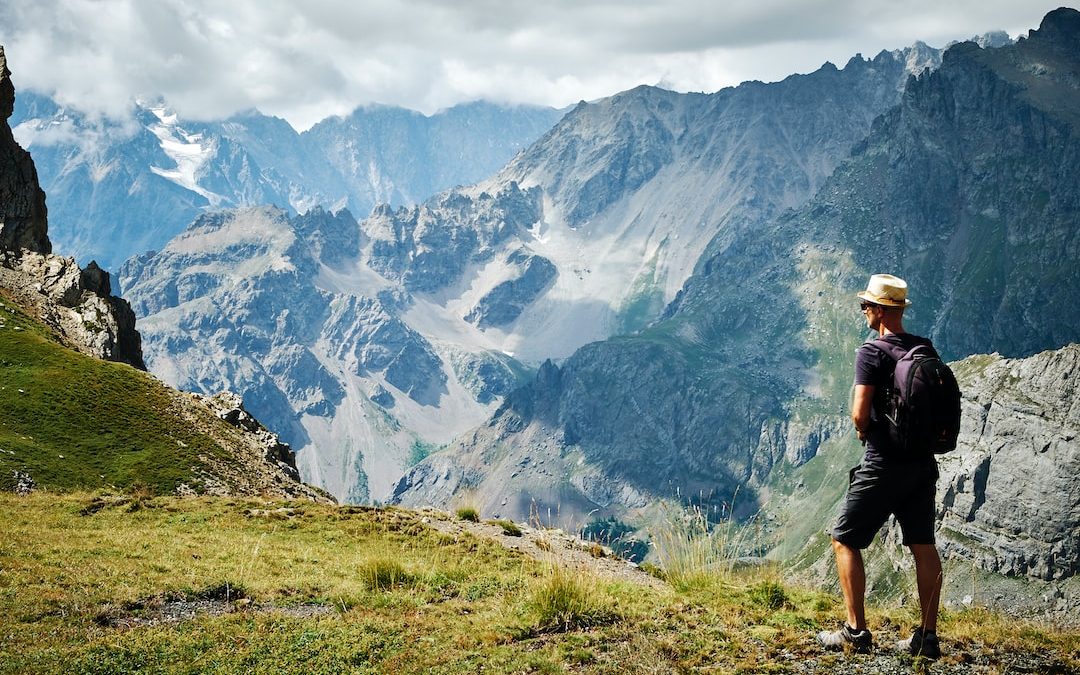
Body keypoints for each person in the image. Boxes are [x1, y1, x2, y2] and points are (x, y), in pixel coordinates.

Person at [817, 274, 943, 659]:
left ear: (880, 310)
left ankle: (856, 631)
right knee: (923, 544)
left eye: (866, 306)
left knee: (845, 539)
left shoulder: (870, 352)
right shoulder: (924, 347)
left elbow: (859, 413)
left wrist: (864, 432)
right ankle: (927, 637)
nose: (863, 311)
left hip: (883, 463)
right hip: (921, 464)